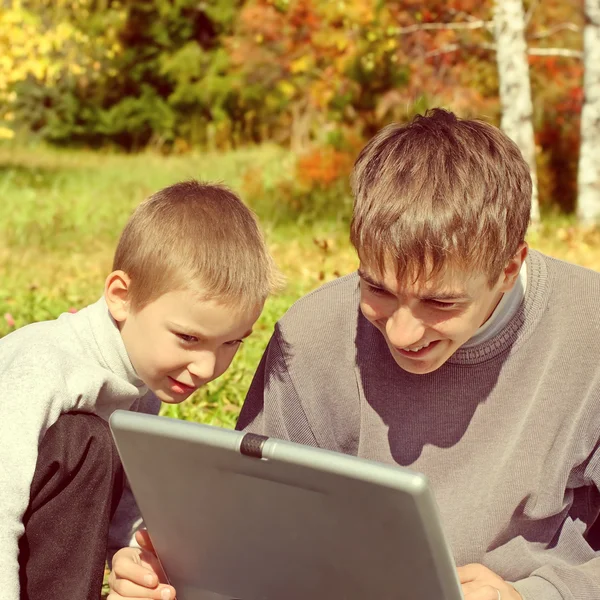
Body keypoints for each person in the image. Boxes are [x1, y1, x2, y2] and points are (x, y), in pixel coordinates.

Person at [109, 110, 600, 600]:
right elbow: (250, 525)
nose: (404, 334)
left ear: (510, 266)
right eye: (377, 289)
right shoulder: (312, 335)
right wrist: (171, 569)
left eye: (440, 302)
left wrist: (536, 595)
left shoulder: (588, 331)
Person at [0, 180, 279, 600]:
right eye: (188, 337)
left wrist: (128, 553)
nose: (207, 367)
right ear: (121, 297)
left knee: (97, 446)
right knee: (83, 442)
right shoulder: (44, 365)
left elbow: (123, 498)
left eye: (231, 343)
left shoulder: (143, 380)